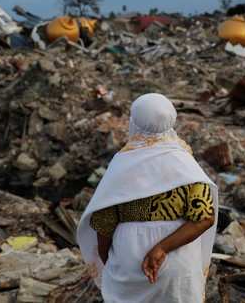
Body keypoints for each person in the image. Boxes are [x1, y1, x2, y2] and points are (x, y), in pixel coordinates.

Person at [77, 93, 218, 302]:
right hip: (178, 267)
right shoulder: (185, 165)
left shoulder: (123, 164)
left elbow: (105, 223)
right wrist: (162, 249)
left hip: (129, 264)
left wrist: (116, 265)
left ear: (134, 122)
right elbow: (204, 217)